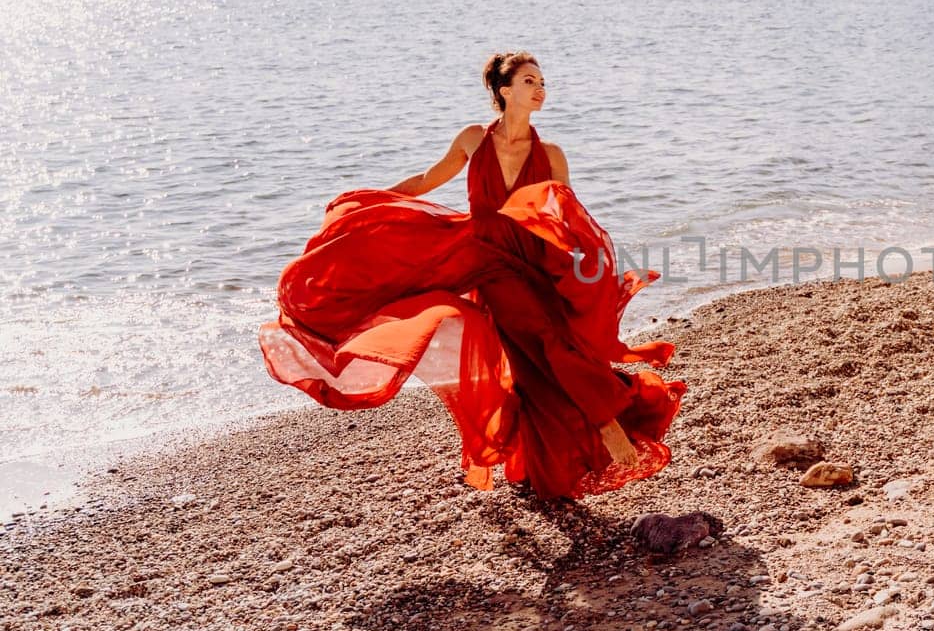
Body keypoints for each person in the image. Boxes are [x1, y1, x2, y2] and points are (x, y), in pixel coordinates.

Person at [258, 51, 684, 499]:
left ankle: (540, 466)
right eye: (529, 81)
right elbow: (426, 180)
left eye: (542, 82)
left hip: (537, 262)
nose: (540, 90)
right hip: (487, 259)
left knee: (532, 361)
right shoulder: (473, 140)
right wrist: (375, 202)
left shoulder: (552, 155)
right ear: (504, 91)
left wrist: (586, 269)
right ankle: (609, 424)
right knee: (545, 340)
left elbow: (566, 217)